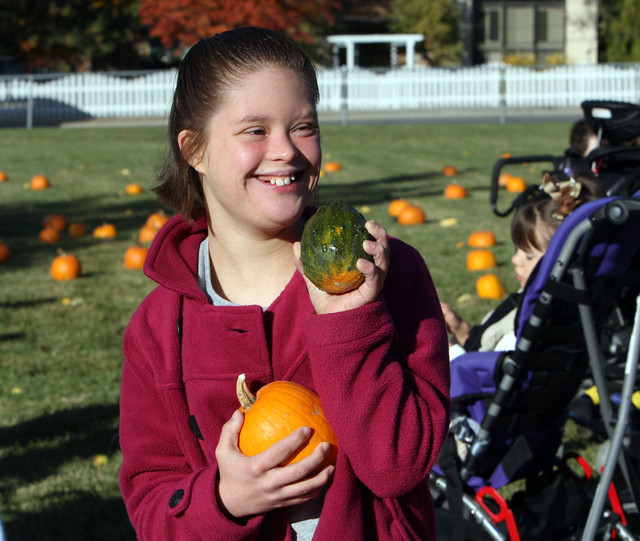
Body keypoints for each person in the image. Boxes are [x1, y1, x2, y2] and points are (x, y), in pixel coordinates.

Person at [118, 27, 450, 541]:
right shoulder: (159, 330)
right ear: (195, 149)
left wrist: (352, 322)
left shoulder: (385, 273)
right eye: (255, 130)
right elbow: (153, 510)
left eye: (303, 127)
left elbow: (397, 467)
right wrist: (224, 501)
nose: (286, 152)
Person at [441, 172, 602, 359]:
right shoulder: (561, 307)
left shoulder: (531, 328)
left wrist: (449, 351)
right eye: (517, 250)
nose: (515, 260)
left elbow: (488, 376)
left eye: (528, 255)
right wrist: (461, 329)